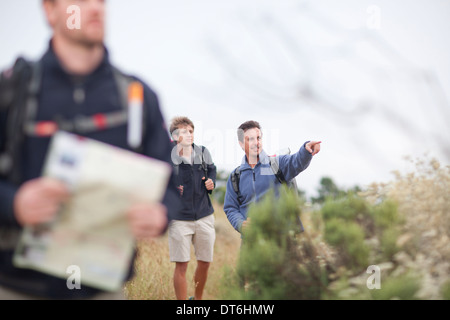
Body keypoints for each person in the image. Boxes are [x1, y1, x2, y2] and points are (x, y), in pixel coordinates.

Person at [0, 0, 180, 299]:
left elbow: (172, 184)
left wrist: (162, 214)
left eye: (101, 1)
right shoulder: (10, 92)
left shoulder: (137, 97)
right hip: (17, 289)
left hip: (103, 291)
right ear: (50, 10)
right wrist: (14, 204)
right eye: (81, 1)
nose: (96, 8)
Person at [223, 120, 321, 234]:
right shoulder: (236, 176)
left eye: (258, 138)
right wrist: (240, 224)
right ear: (240, 143)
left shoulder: (278, 164)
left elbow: (296, 161)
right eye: (250, 139)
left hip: (283, 240)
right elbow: (231, 208)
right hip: (252, 242)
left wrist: (306, 150)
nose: (256, 143)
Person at [168, 116, 216, 300]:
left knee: (204, 262)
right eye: (183, 132)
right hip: (179, 220)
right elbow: (161, 180)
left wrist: (211, 181)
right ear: (174, 136)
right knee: (182, 266)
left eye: (191, 131)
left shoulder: (203, 152)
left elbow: (212, 169)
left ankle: (197, 300)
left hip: (204, 216)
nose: (189, 135)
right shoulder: (168, 156)